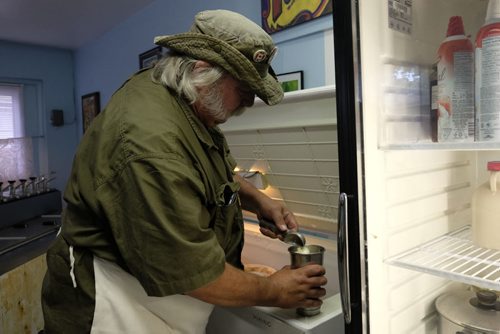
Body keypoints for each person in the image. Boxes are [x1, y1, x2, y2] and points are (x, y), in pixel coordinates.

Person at [41, 9, 327, 333]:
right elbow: (194, 273)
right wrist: (276, 290)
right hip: (112, 300)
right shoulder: (149, 143)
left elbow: (199, 169)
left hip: (158, 297)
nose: (247, 103)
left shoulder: (185, 97)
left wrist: (257, 199)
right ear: (202, 69)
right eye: (244, 90)